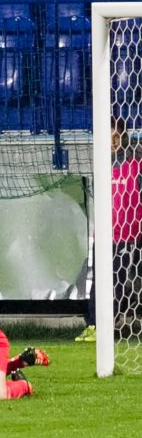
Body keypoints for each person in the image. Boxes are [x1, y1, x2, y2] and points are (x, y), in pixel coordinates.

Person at [78, 117, 142, 342]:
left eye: (116, 137)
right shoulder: (101, 165)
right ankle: (94, 325)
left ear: (123, 138)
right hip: (104, 235)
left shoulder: (136, 166)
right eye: (108, 137)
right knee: (98, 281)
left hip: (128, 235)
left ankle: (111, 323)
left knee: (118, 281)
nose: (112, 142)